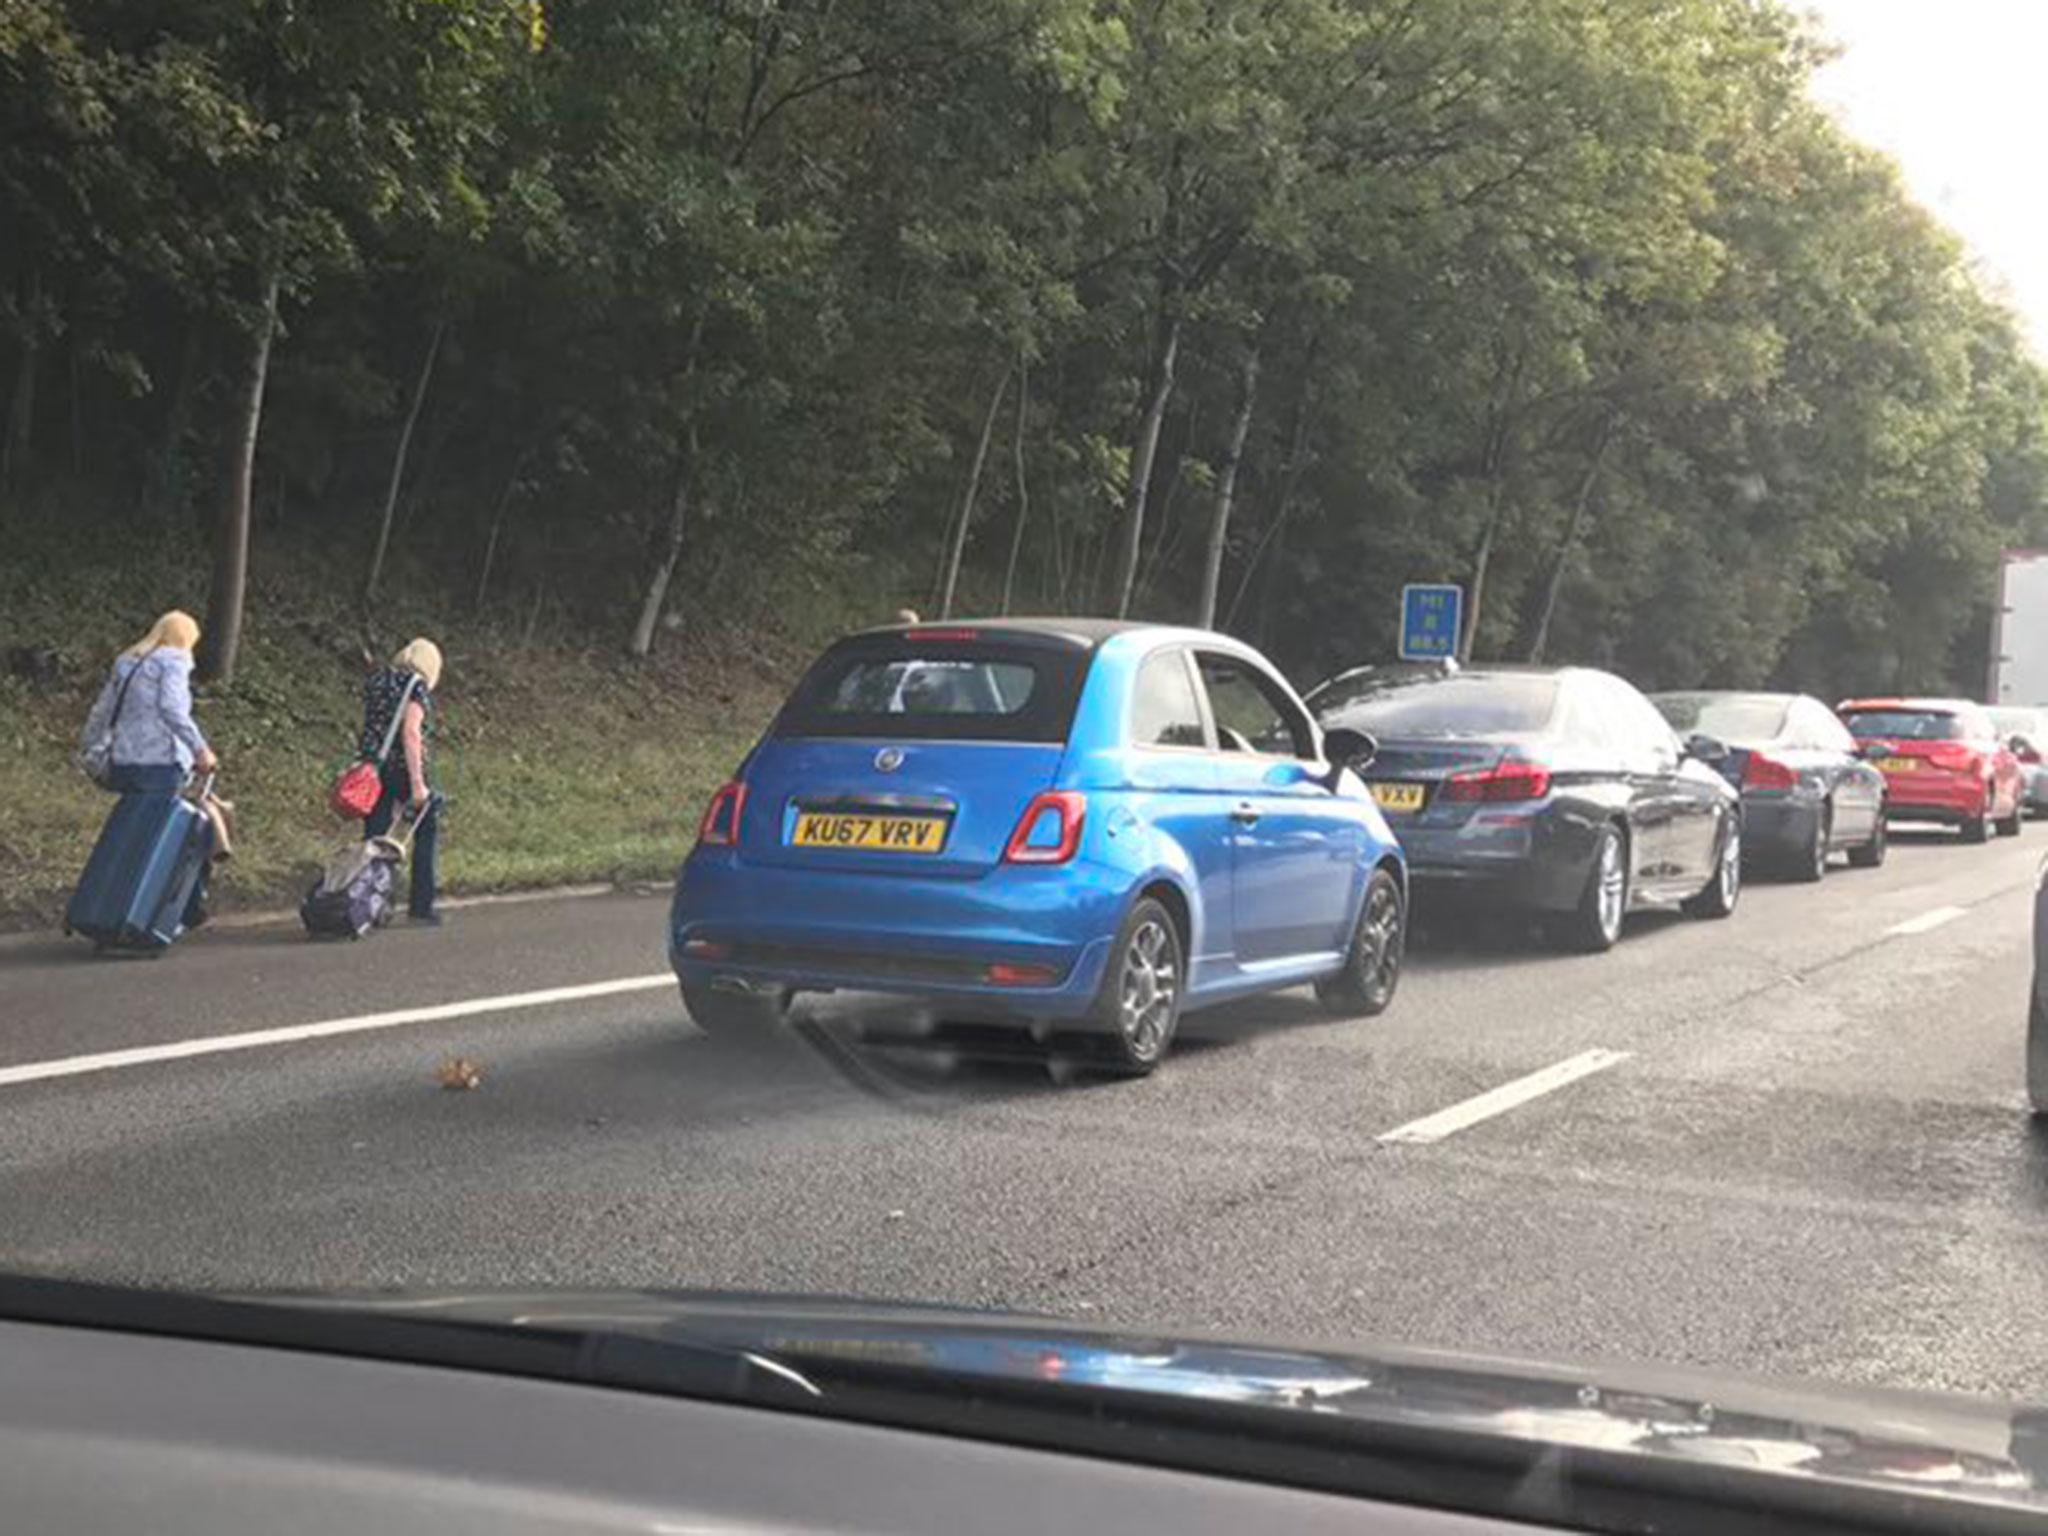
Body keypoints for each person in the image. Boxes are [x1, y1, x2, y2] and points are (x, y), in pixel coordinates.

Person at [81, 610, 220, 927]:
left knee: (131, 837)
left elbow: (102, 710)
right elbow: (172, 709)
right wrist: (200, 748)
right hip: (160, 761)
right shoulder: (173, 661)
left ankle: (110, 908)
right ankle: (165, 912)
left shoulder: (128, 663)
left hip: (124, 762)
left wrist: (90, 747)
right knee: (167, 842)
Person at [359, 637, 445, 926]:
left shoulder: (378, 680)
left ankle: (370, 900)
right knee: (426, 829)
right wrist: (418, 782)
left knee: (375, 836)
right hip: (402, 768)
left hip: (373, 769)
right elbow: (411, 732)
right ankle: (422, 906)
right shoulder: (415, 686)